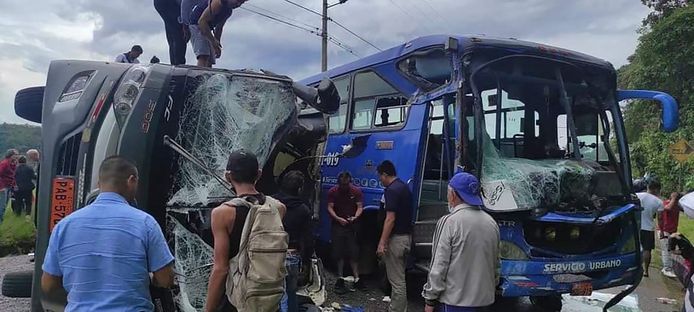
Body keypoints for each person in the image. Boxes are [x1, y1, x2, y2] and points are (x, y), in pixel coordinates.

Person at [41, 156, 175, 310]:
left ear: (99, 184)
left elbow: (48, 285)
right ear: (132, 180)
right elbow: (166, 279)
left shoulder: (64, 226)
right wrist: (149, 278)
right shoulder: (145, 222)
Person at [205, 150, 286, 312]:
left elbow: (221, 269)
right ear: (259, 174)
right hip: (269, 298)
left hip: (237, 302)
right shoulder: (278, 208)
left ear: (228, 176)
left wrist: (208, 309)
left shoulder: (223, 213)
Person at [422, 172, 500, 312]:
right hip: (484, 302)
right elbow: (496, 264)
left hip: (455, 302)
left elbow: (439, 265)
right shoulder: (491, 223)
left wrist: (430, 299)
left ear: (453, 195)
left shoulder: (449, 222)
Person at [274, 170, 313, 312]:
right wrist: (306, 261)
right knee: (290, 293)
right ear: (300, 188)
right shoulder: (303, 209)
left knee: (272, 294)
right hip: (291, 255)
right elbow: (308, 239)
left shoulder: (270, 203)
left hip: (269, 255)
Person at [376, 160, 413, 312]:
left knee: (397, 280)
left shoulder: (391, 190)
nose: (380, 180)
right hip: (406, 238)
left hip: (396, 240)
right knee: (400, 276)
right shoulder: (404, 187)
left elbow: (390, 218)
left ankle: (397, 310)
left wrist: (382, 242)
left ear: (385, 175)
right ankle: (398, 307)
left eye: (380, 177)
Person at [327, 171, 364, 293]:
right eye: (342, 185)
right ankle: (340, 277)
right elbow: (330, 207)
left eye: (346, 184)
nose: (344, 187)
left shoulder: (356, 191)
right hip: (338, 225)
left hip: (352, 225)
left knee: (354, 252)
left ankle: (357, 278)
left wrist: (355, 217)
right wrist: (338, 218)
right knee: (339, 252)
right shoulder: (333, 192)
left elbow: (359, 206)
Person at [181, 0, 247, 67]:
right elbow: (202, 22)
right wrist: (213, 42)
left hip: (207, 28)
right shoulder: (218, 3)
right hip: (196, 24)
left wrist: (217, 44)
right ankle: (199, 75)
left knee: (210, 59)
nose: (238, 4)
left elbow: (219, 27)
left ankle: (207, 76)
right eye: (237, 1)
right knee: (203, 55)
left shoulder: (228, 11)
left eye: (241, 3)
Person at [638, 180, 664, 277]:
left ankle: (635, 268)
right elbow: (660, 218)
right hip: (648, 228)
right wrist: (661, 230)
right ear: (657, 189)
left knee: (634, 248)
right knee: (647, 249)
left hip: (636, 226)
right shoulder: (658, 202)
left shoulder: (637, 195)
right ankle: (645, 271)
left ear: (648, 187)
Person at [154, 0, 187, 65]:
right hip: (171, 3)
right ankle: (178, 64)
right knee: (178, 32)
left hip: (161, 3)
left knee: (171, 29)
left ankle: (175, 63)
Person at [659, 192, 684, 278]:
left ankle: (668, 267)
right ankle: (667, 268)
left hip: (672, 230)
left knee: (671, 249)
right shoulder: (666, 203)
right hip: (664, 230)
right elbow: (668, 208)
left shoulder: (678, 205)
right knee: (666, 250)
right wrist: (674, 198)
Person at [0, 149, 18, 223]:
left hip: (9, 186)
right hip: (3, 187)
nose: (17, 156)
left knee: (6, 204)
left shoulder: (13, 164)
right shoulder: (4, 163)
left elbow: (13, 175)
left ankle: (2, 220)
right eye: (15, 155)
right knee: (2, 204)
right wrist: (1, 187)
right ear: (11, 155)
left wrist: (14, 184)